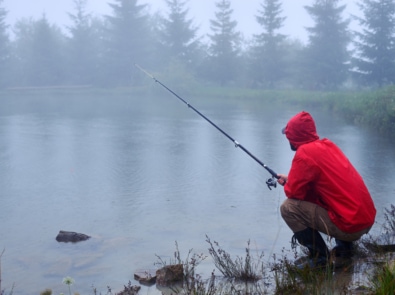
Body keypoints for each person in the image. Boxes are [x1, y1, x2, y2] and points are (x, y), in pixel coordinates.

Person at [277, 111, 376, 268]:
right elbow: (324, 184)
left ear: (294, 136)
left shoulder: (304, 154)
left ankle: (320, 258)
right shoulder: (328, 146)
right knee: (333, 198)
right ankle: (345, 249)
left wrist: (288, 184)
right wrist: (291, 180)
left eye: (288, 135)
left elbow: (293, 193)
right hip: (365, 220)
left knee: (288, 208)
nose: (287, 138)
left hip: (350, 228)